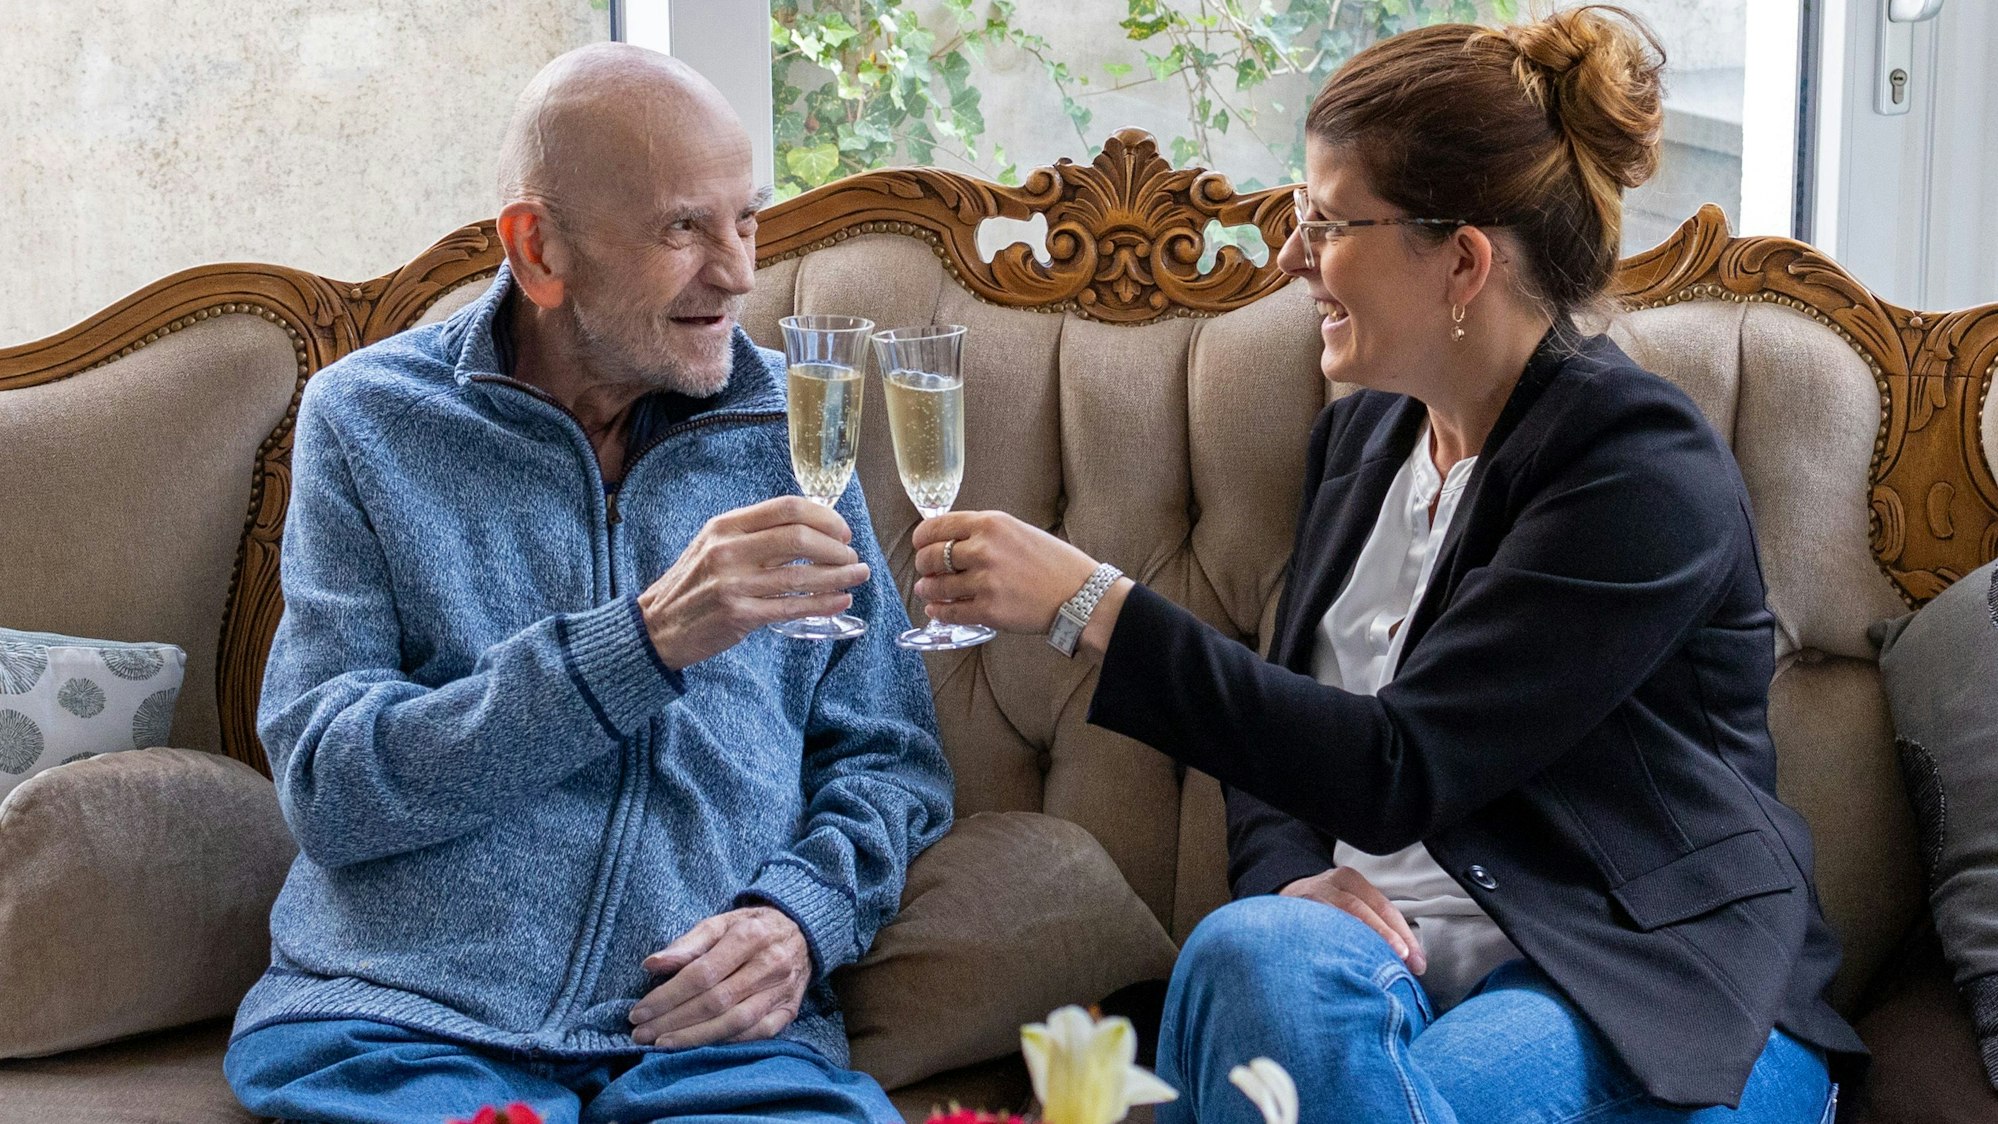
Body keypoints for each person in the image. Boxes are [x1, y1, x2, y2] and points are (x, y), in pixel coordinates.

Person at [905, 8, 1862, 1122]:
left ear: (1461, 261)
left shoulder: (1637, 468)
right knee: (1249, 947)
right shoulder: (1364, 443)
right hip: (1381, 971)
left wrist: (1090, 601)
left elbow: (1397, 761)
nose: (1293, 256)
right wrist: (1291, 886)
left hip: (1628, 978)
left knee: (1406, 1095)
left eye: (1328, 222)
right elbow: (1283, 736)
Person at [223, 44, 952, 1124]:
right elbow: (332, 782)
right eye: (681, 229)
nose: (738, 271)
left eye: (744, 218)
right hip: (401, 1020)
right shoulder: (369, 421)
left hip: (714, 1042)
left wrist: (803, 916)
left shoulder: (792, 432)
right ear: (538, 247)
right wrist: (641, 640)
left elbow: (891, 757)